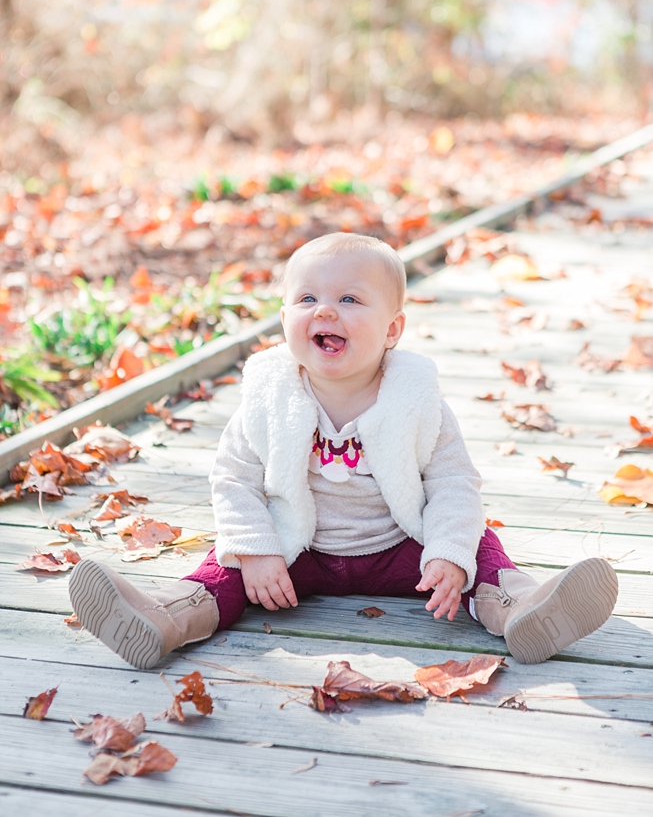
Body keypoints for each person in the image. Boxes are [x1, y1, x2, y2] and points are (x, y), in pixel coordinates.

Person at [70, 232, 618, 671]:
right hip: (295, 553)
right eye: (307, 299)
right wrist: (257, 548)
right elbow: (233, 480)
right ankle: (165, 619)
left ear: (392, 330)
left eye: (349, 299)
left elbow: (454, 483)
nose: (325, 311)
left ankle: (521, 609)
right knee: (228, 563)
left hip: (401, 549)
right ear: (284, 320)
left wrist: (448, 553)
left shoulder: (416, 401)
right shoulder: (269, 397)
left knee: (477, 547)